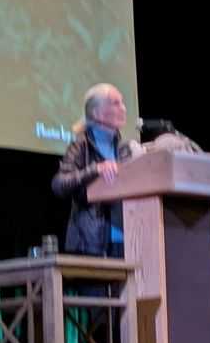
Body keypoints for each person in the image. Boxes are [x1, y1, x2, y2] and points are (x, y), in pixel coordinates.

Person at [51, 82, 142, 258]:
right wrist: (96, 169)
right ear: (96, 113)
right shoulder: (81, 145)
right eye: (115, 103)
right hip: (91, 244)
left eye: (123, 102)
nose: (123, 108)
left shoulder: (127, 148)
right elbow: (59, 184)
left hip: (128, 241)